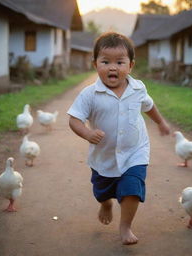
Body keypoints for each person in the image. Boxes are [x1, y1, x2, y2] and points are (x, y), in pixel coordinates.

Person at [67, 32, 170, 245]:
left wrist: (160, 122)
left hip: (136, 151)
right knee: (101, 192)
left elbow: (149, 107)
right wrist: (87, 133)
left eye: (120, 62)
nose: (113, 67)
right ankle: (106, 204)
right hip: (103, 157)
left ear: (130, 65)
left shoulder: (138, 89)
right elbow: (74, 120)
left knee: (132, 189)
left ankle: (125, 227)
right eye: (106, 61)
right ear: (95, 64)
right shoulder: (89, 94)